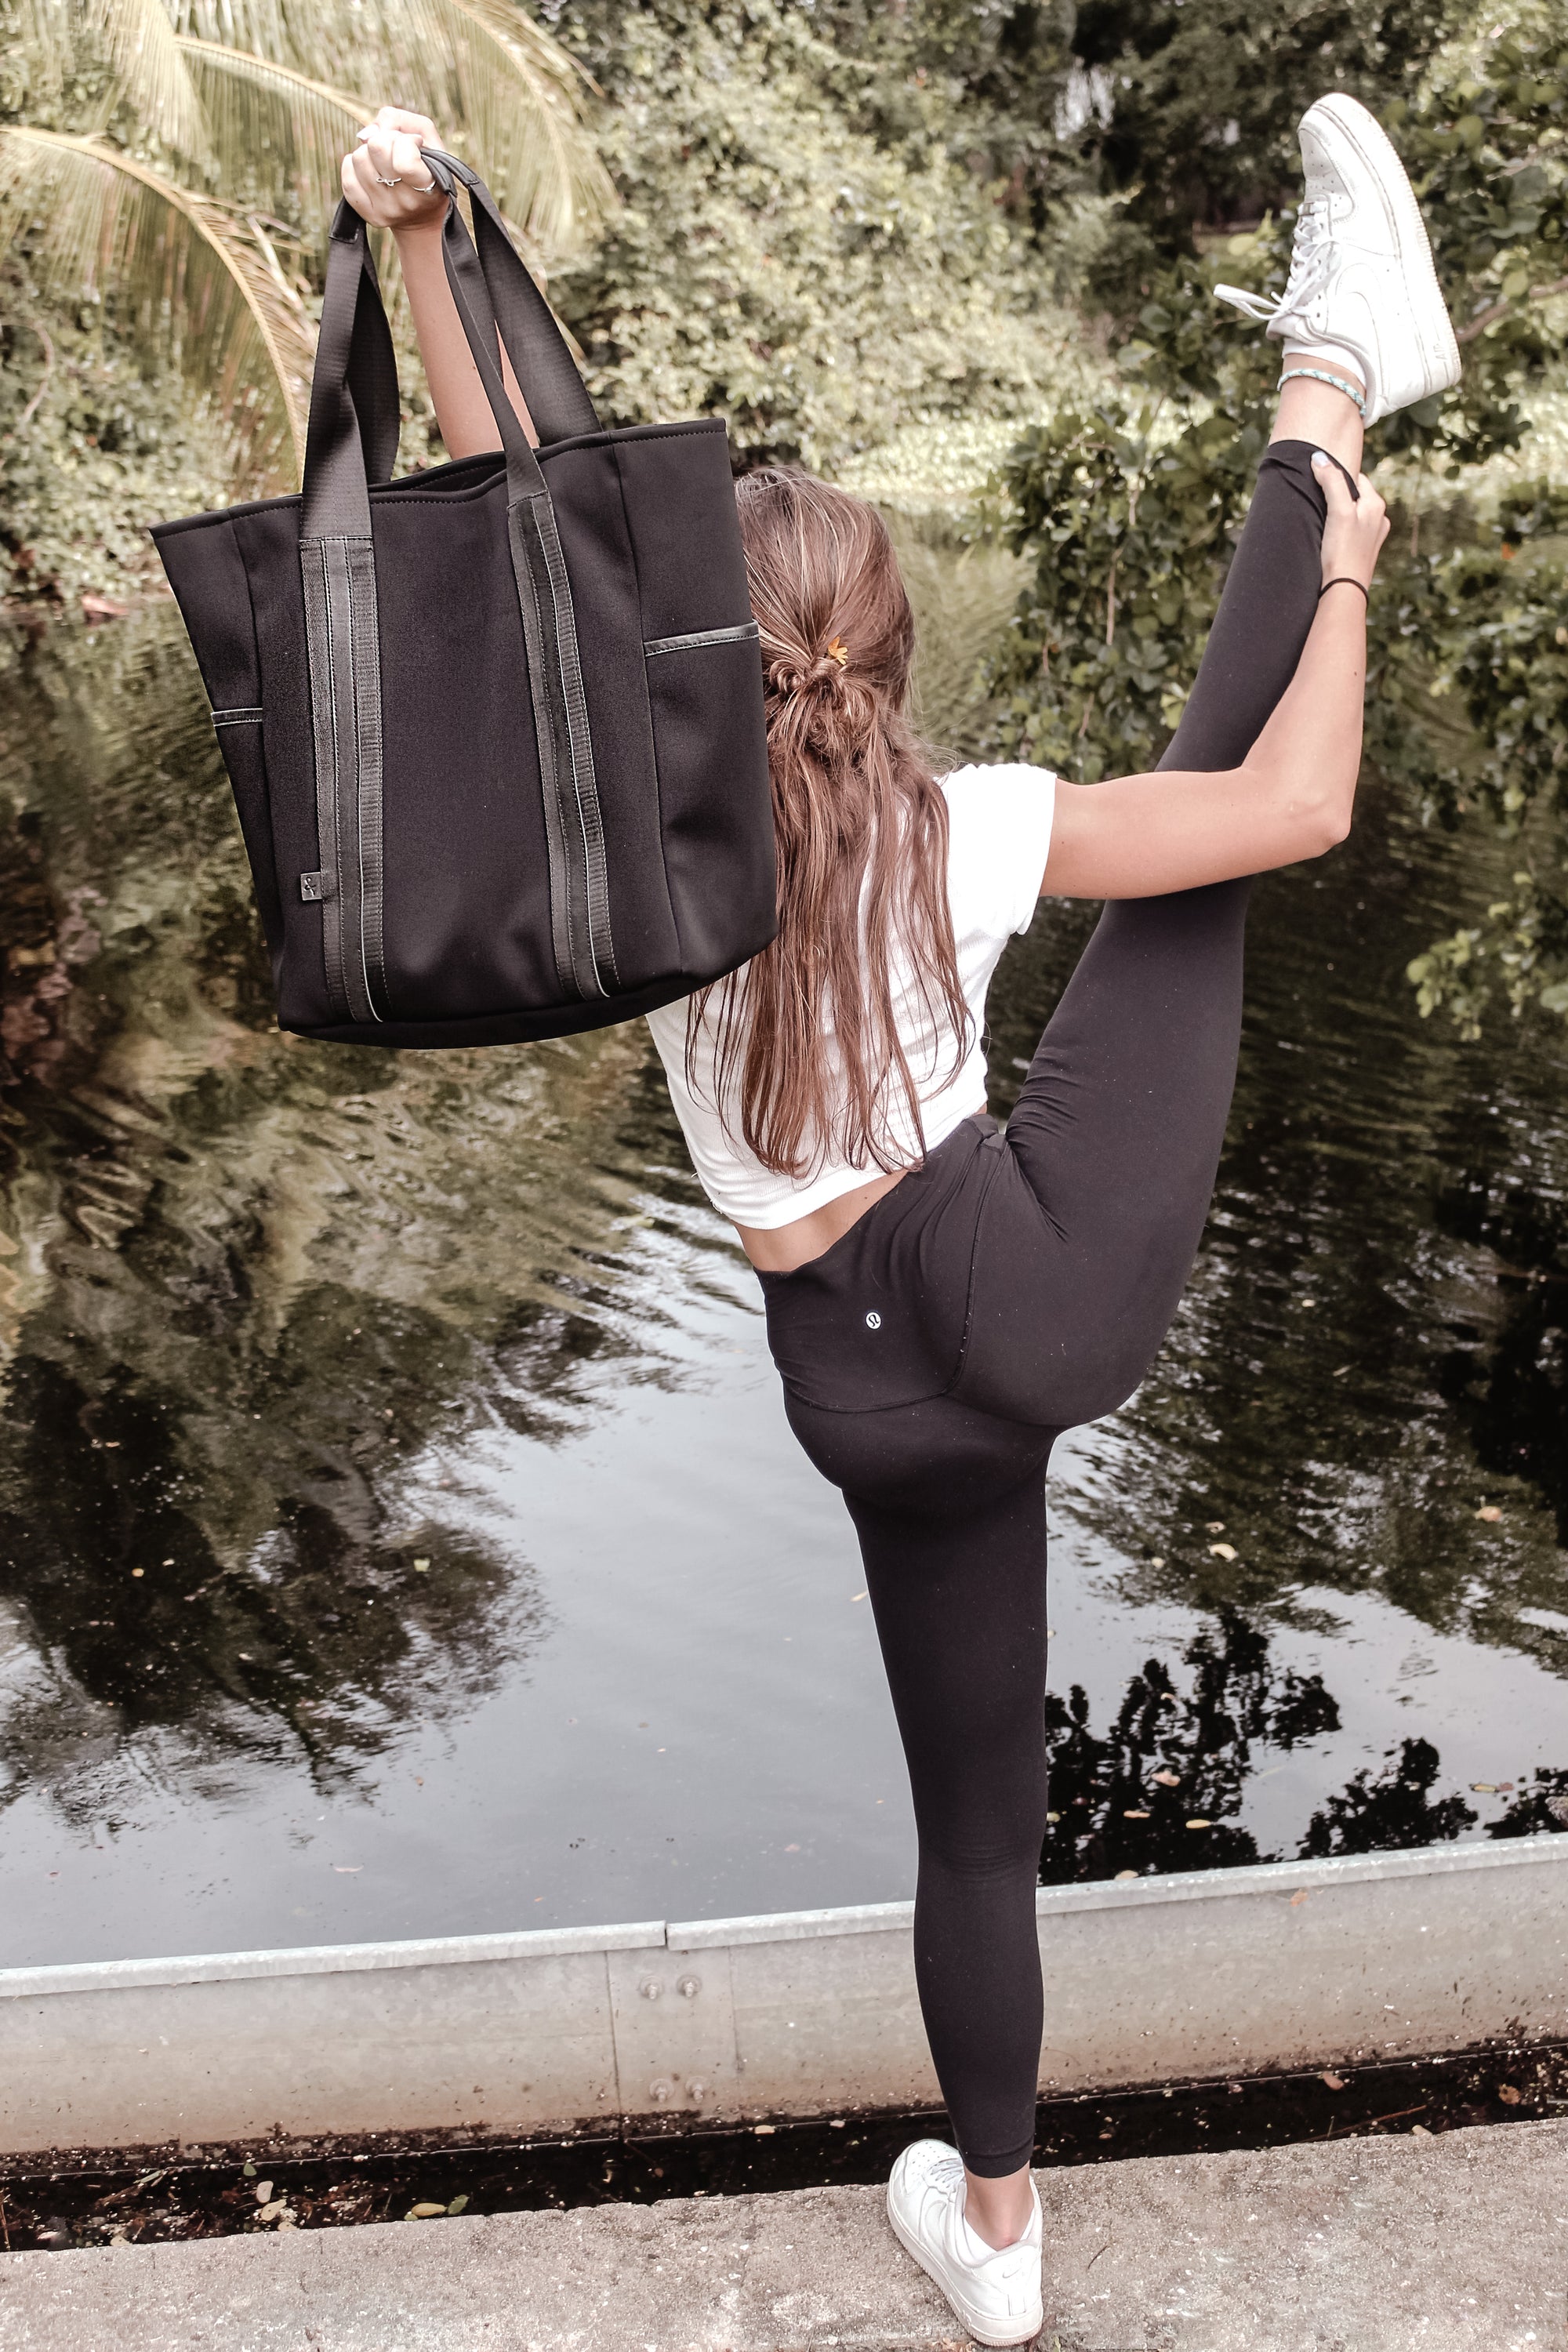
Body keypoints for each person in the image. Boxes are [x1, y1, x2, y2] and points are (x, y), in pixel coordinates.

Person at [343, 90, 1457, 2350]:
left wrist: (428, 252)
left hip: (858, 1386)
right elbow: (1305, 800)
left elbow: (534, 553)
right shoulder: (966, 829)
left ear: (688, 682)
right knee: (1213, 864)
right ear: (890, 647)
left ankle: (1001, 2238)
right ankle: (1333, 377)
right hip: (1023, 1265)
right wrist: (1348, 564)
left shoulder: (640, 876)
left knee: (978, 1818)